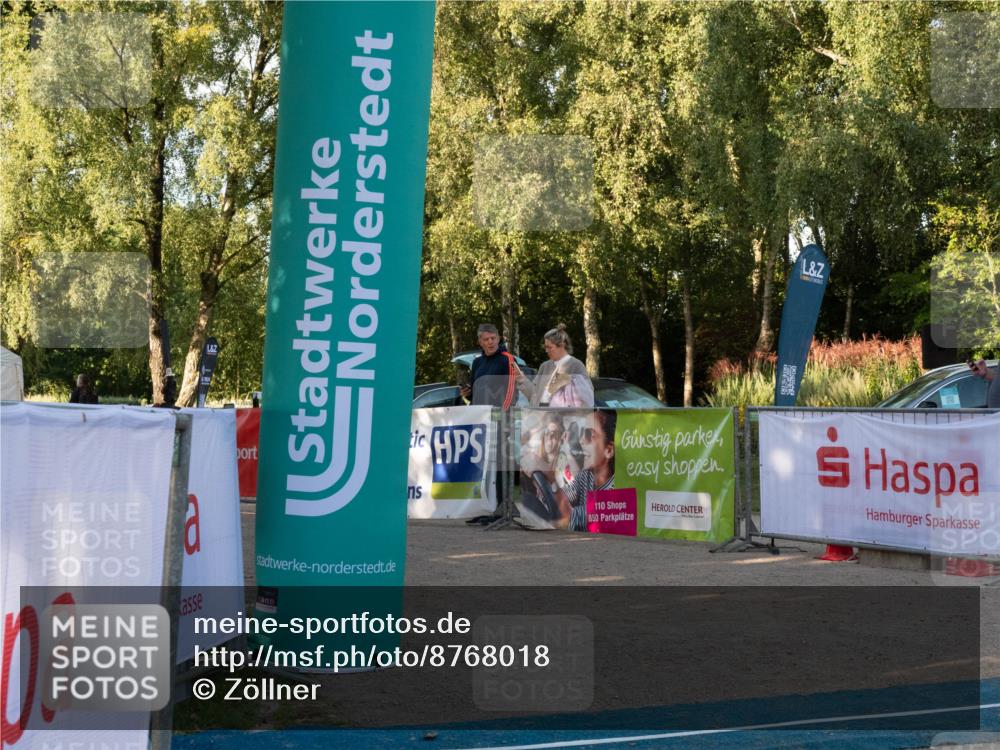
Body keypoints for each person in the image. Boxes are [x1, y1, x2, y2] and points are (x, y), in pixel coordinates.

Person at [552, 409, 616, 532]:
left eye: (589, 435)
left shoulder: (615, 490)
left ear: (608, 450)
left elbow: (569, 517)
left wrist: (548, 477)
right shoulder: (586, 475)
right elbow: (565, 496)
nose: (581, 440)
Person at [516, 324, 593, 408]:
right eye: (545, 347)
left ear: (562, 345)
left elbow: (587, 398)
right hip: (541, 417)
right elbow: (534, 396)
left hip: (564, 418)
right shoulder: (544, 366)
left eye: (549, 347)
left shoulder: (576, 365)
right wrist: (522, 380)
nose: (546, 350)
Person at [460, 323, 519, 409]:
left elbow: (512, 393)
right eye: (486, 339)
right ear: (480, 342)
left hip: (497, 414)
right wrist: (467, 393)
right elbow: (474, 395)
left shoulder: (508, 360)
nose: (490, 342)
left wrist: (501, 414)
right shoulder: (477, 362)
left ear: (498, 339)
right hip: (477, 413)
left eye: (493, 338)